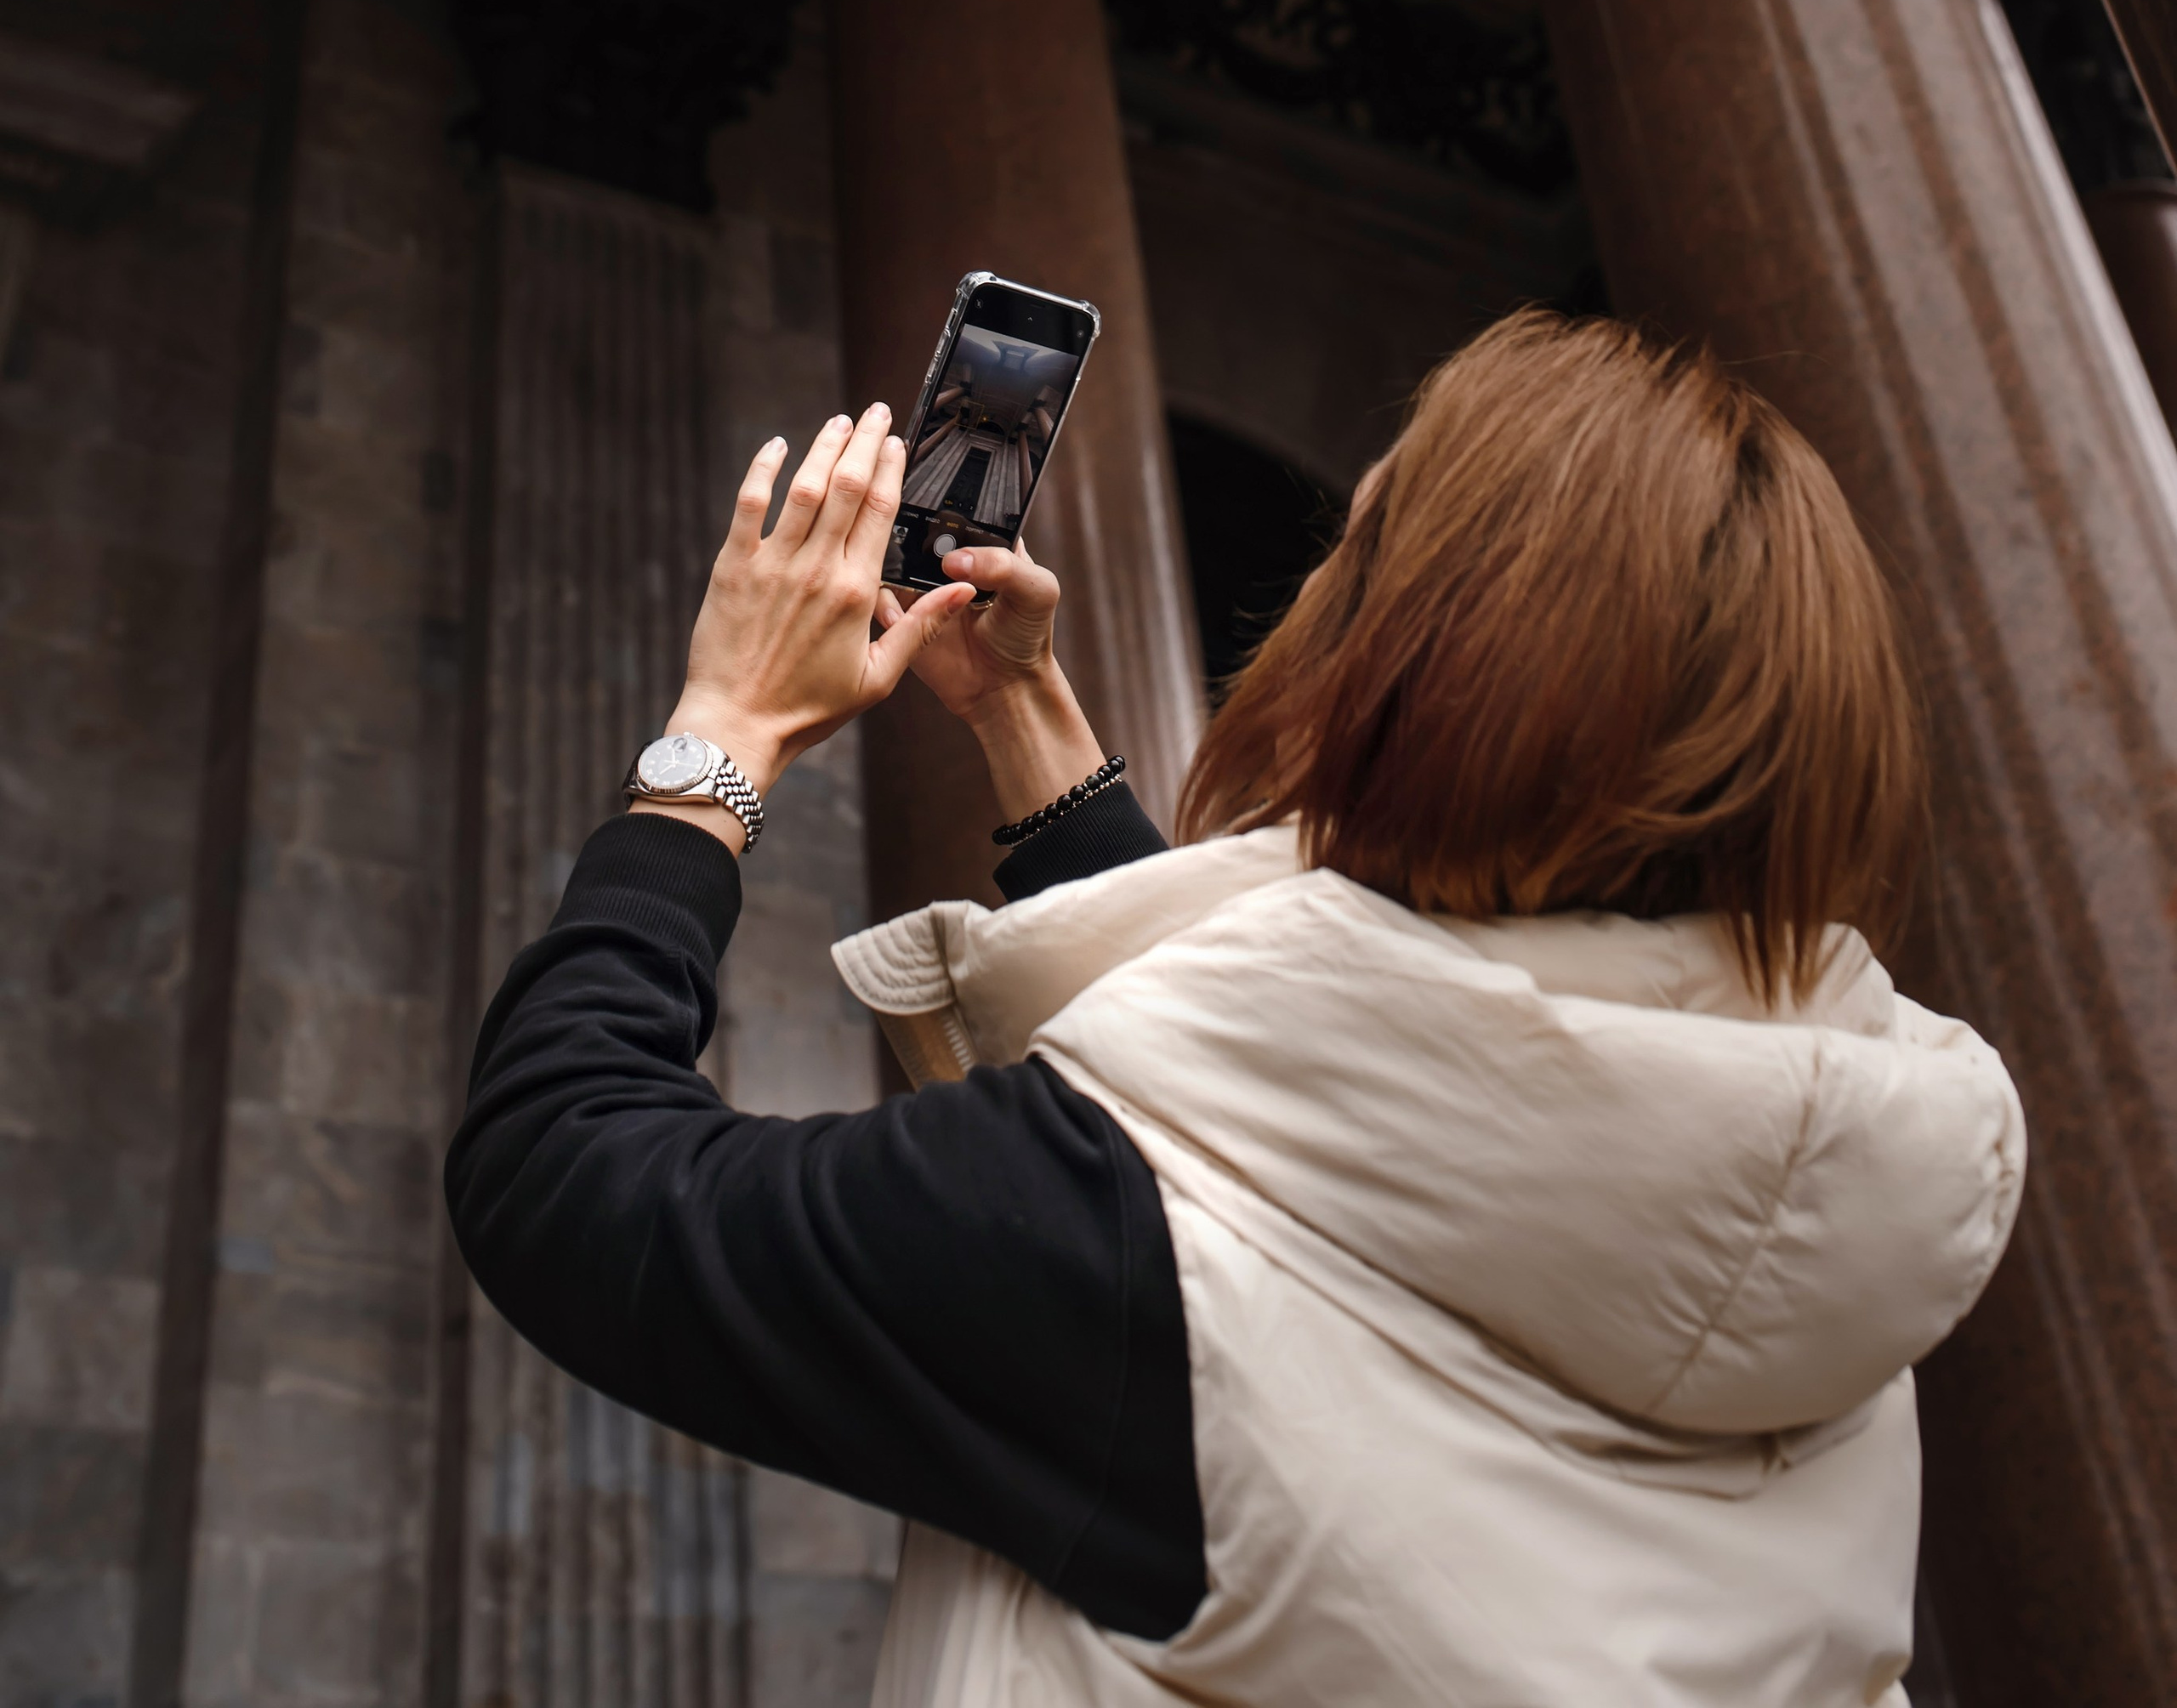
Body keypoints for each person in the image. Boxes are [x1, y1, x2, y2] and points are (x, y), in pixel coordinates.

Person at [446, 307, 2025, 1708]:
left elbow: (568, 1176)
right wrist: (1025, 728)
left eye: (1362, 551)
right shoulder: (1814, 1225)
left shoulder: (1131, 1256)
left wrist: (719, 738)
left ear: (1422, 664)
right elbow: (1354, 1102)